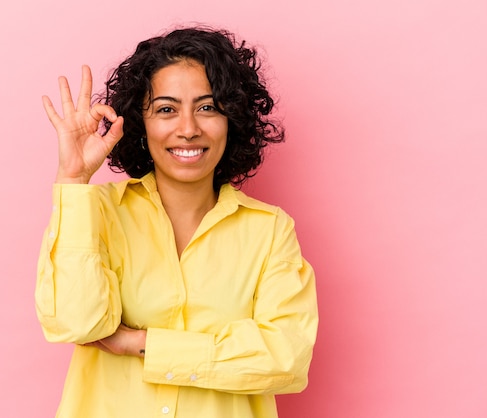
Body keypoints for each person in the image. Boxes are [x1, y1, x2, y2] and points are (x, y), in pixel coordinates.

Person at [35, 26, 318, 418]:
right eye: (166, 109)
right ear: (141, 123)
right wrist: (72, 179)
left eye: (207, 107)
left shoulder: (269, 231)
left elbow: (285, 359)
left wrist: (139, 343)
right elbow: (75, 322)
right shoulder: (94, 212)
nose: (188, 129)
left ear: (231, 118)